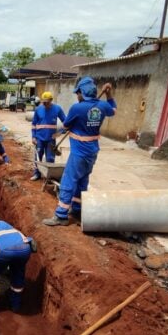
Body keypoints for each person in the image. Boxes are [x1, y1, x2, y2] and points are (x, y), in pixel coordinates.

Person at [42, 76, 116, 226]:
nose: (77, 96)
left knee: (68, 181)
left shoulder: (77, 108)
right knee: (82, 181)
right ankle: (76, 208)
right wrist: (109, 94)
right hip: (92, 152)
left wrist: (60, 132)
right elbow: (113, 110)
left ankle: (61, 215)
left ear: (82, 92)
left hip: (79, 153)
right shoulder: (102, 106)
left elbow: (67, 125)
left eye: (78, 93)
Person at [30, 91, 66, 181]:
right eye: (43, 102)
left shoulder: (57, 109)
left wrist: (60, 132)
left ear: (51, 100)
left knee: (50, 158)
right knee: (38, 157)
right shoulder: (38, 109)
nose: (45, 103)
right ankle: (37, 174)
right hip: (39, 139)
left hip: (51, 139)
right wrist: (33, 137)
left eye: (47, 102)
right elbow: (34, 124)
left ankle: (49, 177)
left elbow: (66, 122)